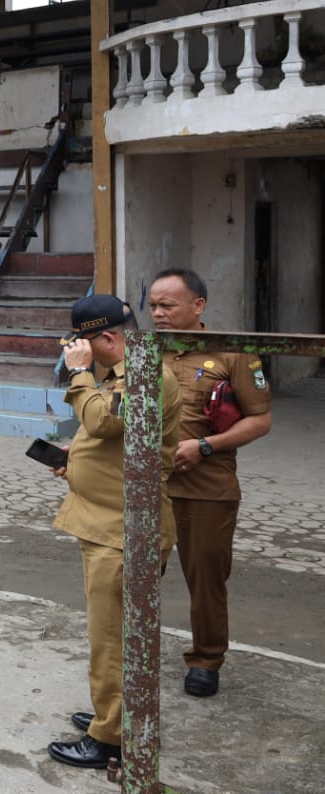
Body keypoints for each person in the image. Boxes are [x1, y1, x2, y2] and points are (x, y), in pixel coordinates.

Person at [45, 293, 181, 770]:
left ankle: (113, 738)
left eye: (80, 344)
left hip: (126, 532)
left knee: (113, 640)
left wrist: (79, 374)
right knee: (111, 636)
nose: (75, 351)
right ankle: (112, 717)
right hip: (106, 523)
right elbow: (105, 438)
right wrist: (74, 463)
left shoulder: (149, 375)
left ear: (106, 337)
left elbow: (102, 421)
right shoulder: (123, 375)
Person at [148, 267, 272, 699]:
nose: (158, 314)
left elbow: (261, 420)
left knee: (205, 580)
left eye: (167, 305)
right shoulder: (147, 351)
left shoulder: (233, 353)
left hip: (207, 489)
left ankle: (205, 659)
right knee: (137, 574)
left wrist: (205, 445)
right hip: (149, 488)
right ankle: (135, 649)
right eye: (152, 306)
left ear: (198, 306)